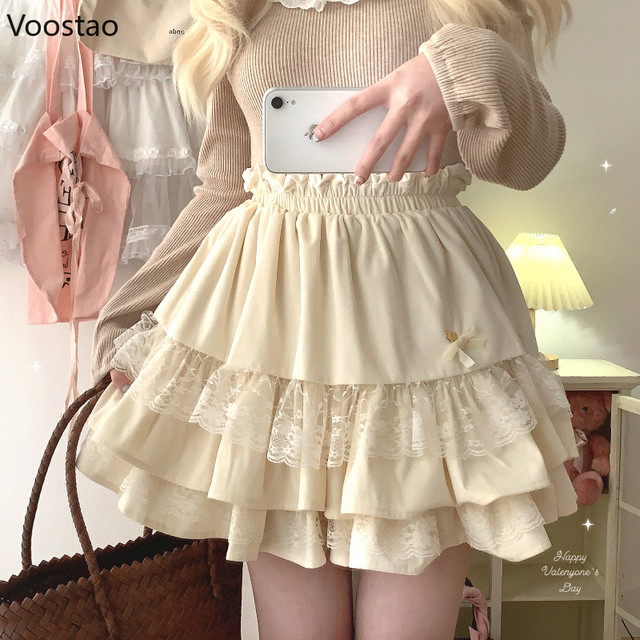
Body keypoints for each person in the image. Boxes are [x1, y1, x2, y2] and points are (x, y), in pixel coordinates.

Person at [76, 0, 579, 638]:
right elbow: (226, 187)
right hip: (275, 346)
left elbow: (533, 161)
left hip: (421, 334)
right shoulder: (239, 12)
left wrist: (460, 64)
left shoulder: (463, 9)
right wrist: (130, 317)